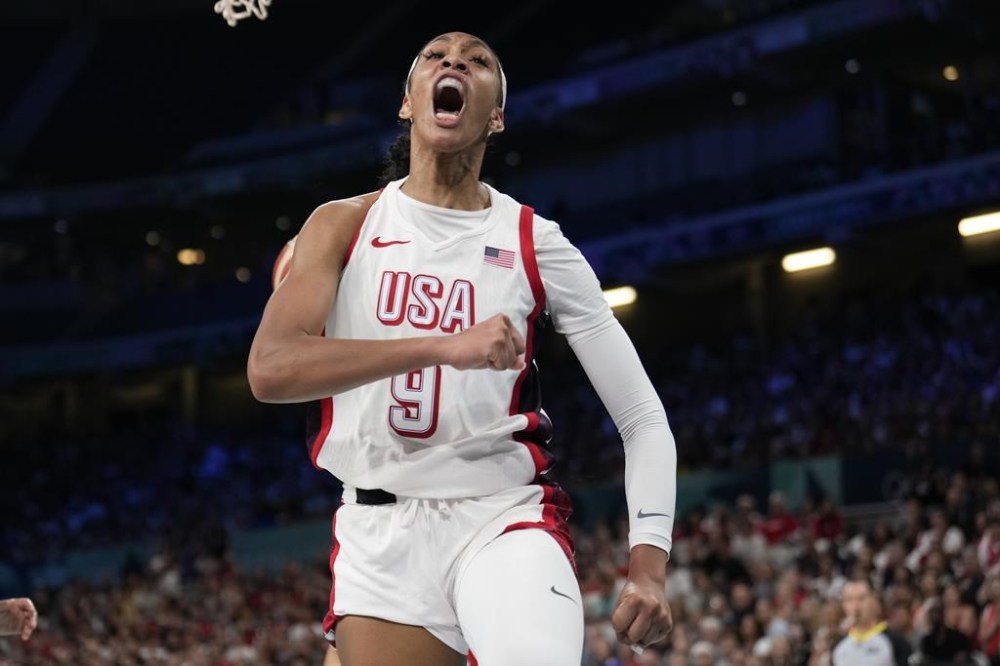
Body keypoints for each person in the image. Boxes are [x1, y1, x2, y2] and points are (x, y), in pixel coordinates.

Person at [248, 30, 677, 666]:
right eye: (435, 57)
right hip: (379, 533)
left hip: (499, 516)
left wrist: (648, 565)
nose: (454, 62)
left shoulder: (535, 240)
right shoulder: (342, 224)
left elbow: (642, 417)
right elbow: (271, 369)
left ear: (496, 116)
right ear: (407, 102)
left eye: (478, 62)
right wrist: (443, 346)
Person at [832, 578, 912, 665]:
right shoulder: (839, 646)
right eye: (849, 600)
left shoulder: (894, 642)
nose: (856, 606)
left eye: (861, 598)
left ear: (874, 599)